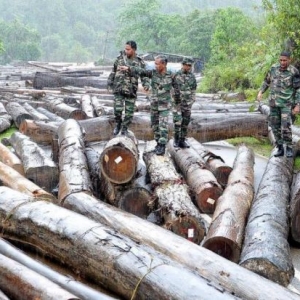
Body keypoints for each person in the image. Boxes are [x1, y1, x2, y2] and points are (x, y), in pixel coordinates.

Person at [119, 55, 178, 155]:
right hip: (154, 105)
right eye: (155, 63)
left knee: (163, 125)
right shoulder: (153, 73)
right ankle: (158, 143)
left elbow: (177, 89)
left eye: (157, 64)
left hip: (164, 106)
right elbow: (141, 71)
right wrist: (128, 68)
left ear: (164, 64)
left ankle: (162, 146)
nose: (155, 66)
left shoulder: (172, 75)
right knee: (155, 125)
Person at [257, 51, 300, 158]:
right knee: (274, 126)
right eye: (281, 60)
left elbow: (298, 89)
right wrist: (261, 92)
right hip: (273, 103)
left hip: (286, 104)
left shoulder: (293, 71)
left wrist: (298, 104)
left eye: (285, 60)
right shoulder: (273, 69)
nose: (282, 62)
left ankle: (289, 147)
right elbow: (266, 82)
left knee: (286, 126)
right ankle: (280, 147)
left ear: (289, 60)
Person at [107, 41, 149, 135]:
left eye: (128, 49)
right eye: (125, 49)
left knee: (129, 113)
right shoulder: (120, 59)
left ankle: (125, 128)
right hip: (119, 88)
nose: (126, 51)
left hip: (131, 90)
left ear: (134, 50)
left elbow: (144, 75)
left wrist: (146, 84)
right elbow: (113, 71)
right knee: (117, 110)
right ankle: (118, 124)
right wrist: (110, 83)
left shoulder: (139, 61)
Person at [172, 57, 197, 148]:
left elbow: (193, 89)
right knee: (178, 122)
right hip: (177, 103)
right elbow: (171, 87)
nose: (188, 67)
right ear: (183, 65)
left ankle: (182, 140)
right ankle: (176, 140)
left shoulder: (192, 76)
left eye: (190, 65)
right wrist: (173, 99)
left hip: (187, 103)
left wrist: (192, 99)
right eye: (187, 65)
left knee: (185, 122)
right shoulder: (176, 75)